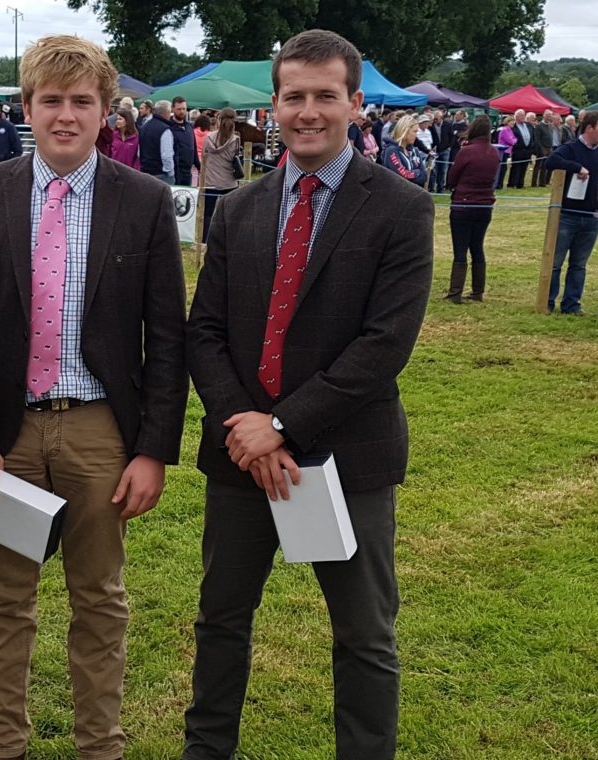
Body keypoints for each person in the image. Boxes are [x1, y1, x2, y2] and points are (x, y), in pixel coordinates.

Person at [0, 34, 187, 760]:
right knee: (6, 599)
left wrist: (152, 452)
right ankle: (1, 746)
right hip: (7, 437)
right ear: (27, 108)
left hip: (99, 434)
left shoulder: (141, 201)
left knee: (99, 599)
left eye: (82, 102)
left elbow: (166, 337)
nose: (66, 116)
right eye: (52, 102)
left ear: (107, 110)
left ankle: (97, 746)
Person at [183, 28, 433, 760]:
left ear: (356, 104)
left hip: (345, 457)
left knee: (363, 635)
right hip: (240, 455)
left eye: (326, 95)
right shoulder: (242, 208)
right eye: (295, 96)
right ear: (275, 106)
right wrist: (245, 426)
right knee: (221, 619)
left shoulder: (401, 208)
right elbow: (205, 331)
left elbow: (384, 347)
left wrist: (283, 425)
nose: (309, 111)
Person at [543, 110, 598, 315]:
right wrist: (576, 167)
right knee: (555, 262)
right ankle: (548, 301)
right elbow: (550, 162)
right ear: (589, 128)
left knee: (579, 265)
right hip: (567, 215)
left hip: (591, 217)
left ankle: (571, 304)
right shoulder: (570, 148)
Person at [445, 115, 501, 303]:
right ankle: (478, 291)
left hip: (463, 204)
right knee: (477, 246)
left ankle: (455, 292)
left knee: (460, 249)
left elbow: (452, 178)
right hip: (485, 205)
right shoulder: (493, 152)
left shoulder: (466, 152)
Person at [200, 107, 240, 243]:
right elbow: (236, 158)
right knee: (230, 213)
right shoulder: (236, 140)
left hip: (210, 181)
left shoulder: (208, 138)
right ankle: (229, 239)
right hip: (229, 181)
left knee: (208, 214)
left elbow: (204, 156)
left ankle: (204, 240)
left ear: (219, 119)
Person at [382, 114, 428, 187]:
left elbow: (424, 176)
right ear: (405, 131)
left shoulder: (414, 150)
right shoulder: (391, 150)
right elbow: (402, 176)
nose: (416, 135)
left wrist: (414, 174)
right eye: (414, 131)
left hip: (413, 194)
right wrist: (417, 172)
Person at [139, 100, 176, 184]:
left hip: (145, 172)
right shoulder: (165, 130)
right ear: (167, 112)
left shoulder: (144, 126)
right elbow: (167, 155)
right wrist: (170, 173)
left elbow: (139, 152)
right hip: (160, 174)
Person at [171, 96, 199, 186]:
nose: (182, 111)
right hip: (175, 172)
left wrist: (199, 165)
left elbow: (193, 147)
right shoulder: (168, 127)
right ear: (173, 109)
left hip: (188, 172)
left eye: (184, 109)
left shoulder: (189, 127)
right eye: (179, 109)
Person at [508, 109, 534, 189]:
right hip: (518, 150)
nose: (523, 117)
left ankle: (520, 184)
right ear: (516, 117)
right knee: (516, 167)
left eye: (524, 115)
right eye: (521, 115)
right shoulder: (513, 126)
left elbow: (533, 136)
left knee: (524, 167)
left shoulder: (528, 125)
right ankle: (512, 184)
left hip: (527, 150)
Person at [494, 115, 517, 190]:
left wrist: (513, 140)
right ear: (507, 122)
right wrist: (513, 140)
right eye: (512, 121)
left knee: (504, 168)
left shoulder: (510, 130)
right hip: (503, 151)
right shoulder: (504, 130)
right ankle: (498, 184)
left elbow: (515, 139)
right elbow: (511, 141)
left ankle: (501, 183)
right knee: (502, 168)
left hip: (508, 151)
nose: (513, 123)